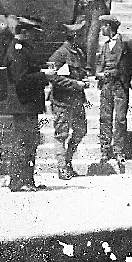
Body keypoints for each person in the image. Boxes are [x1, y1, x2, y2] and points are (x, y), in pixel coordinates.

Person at [5, 16, 50, 191]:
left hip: (28, 105)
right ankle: (17, 182)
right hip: (22, 104)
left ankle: (28, 180)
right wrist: (44, 76)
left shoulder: (24, 49)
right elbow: (21, 80)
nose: (35, 36)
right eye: (32, 32)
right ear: (23, 32)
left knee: (30, 142)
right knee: (22, 143)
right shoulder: (16, 51)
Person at [95, 14, 132, 171]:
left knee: (120, 119)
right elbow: (99, 66)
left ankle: (119, 150)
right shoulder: (104, 46)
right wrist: (99, 73)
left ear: (110, 26)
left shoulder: (126, 43)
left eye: (103, 26)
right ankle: (105, 150)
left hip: (120, 85)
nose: (101, 28)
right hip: (106, 85)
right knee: (104, 118)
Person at [47, 19, 91, 180]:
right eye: (81, 35)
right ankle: (62, 168)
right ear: (74, 35)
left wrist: (84, 79)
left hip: (77, 100)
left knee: (80, 131)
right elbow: (52, 77)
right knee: (61, 134)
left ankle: (67, 161)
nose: (84, 38)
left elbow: (82, 71)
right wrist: (75, 84)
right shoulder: (59, 54)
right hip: (62, 101)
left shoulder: (78, 53)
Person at [72, 0, 112, 71]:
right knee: (81, 35)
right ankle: (80, 66)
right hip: (84, 9)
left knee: (92, 37)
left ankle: (89, 67)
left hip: (98, 9)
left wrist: (107, 10)